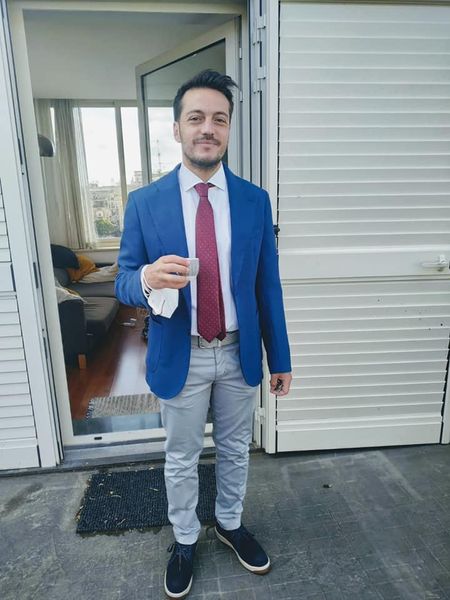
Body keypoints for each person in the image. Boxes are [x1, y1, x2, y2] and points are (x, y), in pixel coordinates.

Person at [115, 69, 292, 599]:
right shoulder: (145, 202)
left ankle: (230, 523)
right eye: (196, 118)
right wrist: (147, 278)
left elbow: (268, 286)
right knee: (182, 456)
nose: (207, 128)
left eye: (219, 118)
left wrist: (280, 358)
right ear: (177, 129)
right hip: (181, 353)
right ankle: (186, 537)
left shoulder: (254, 201)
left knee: (237, 449)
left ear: (229, 129)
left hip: (238, 351)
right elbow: (123, 280)